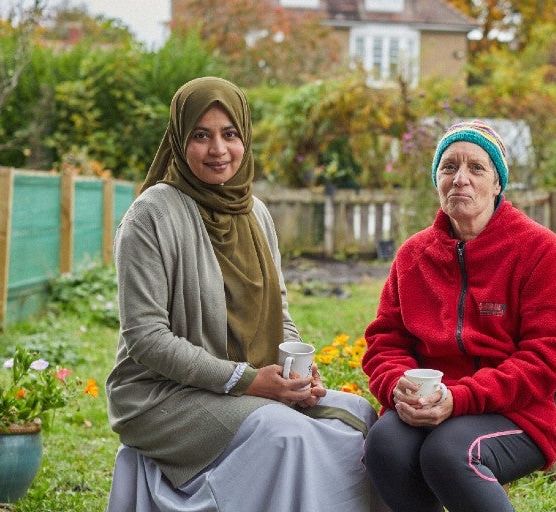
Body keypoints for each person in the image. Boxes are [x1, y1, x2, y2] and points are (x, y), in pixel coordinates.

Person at [105, 76, 387, 512]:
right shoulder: (150, 215)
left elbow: (280, 307)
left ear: (245, 137)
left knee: (360, 417)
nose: (218, 149)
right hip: (162, 395)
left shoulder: (256, 213)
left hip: (249, 381)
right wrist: (247, 380)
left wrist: (299, 371)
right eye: (201, 135)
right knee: (286, 435)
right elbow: (146, 339)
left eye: (229, 133)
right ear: (180, 141)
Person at [361, 120, 556, 512]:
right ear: (437, 180)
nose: (460, 179)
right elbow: (385, 341)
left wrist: (460, 398)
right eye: (449, 167)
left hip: (519, 409)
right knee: (385, 444)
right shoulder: (413, 256)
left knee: (448, 453)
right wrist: (396, 386)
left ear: (498, 184)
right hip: (432, 401)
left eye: (476, 168)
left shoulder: (537, 250)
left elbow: (549, 358)